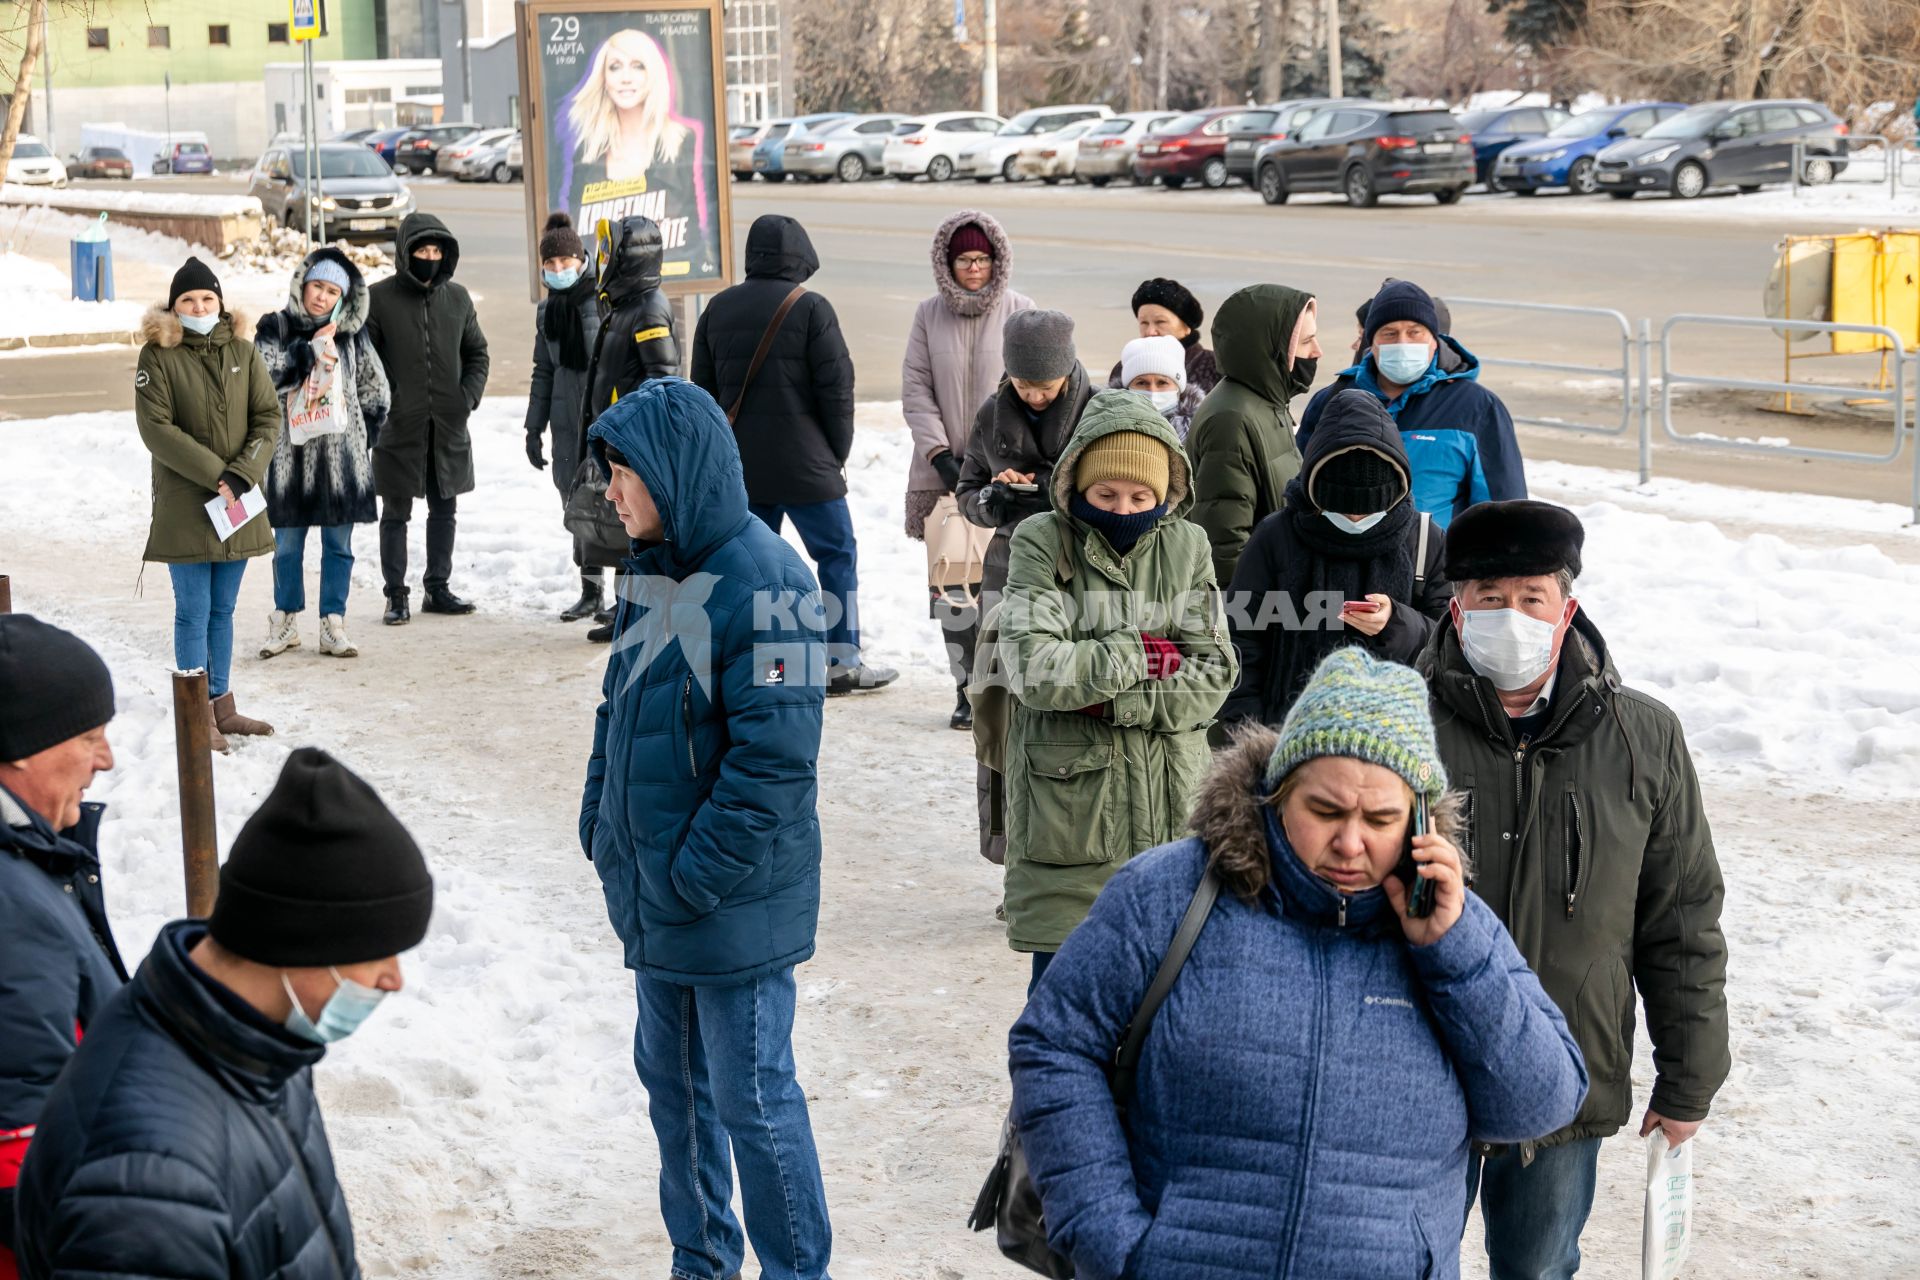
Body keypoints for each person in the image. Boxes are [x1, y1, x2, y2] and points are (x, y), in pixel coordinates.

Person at [1009, 647, 1589, 1280]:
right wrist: (1111, 1242)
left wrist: (1452, 953)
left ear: (1421, 820)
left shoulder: (1457, 930)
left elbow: (1541, 1104)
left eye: (1381, 818)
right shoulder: (1168, 893)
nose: (1350, 841)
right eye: (1325, 810)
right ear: (1276, 792)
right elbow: (1056, 1046)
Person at [1419, 500, 1728, 1280]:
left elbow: (1680, 918)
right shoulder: (1398, 721)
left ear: (1568, 609)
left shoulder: (1642, 736)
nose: (1510, 616)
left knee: (1540, 1268)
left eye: (1531, 597)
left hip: (1564, 1068)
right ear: (1457, 608)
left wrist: (1690, 1076)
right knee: (1399, 1261)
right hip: (1417, 1060)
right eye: (1490, 599)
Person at [579, 378, 833, 1280]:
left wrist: (691, 876)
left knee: (752, 1102)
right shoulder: (656, 569)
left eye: (623, 475)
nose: (611, 493)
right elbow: (620, 713)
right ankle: (701, 1263)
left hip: (726, 902)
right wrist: (600, 824)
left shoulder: (774, 585)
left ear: (673, 474)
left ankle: (796, 1271)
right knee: (676, 1101)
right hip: (657, 894)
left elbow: (773, 764)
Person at [13, 747, 433, 1280]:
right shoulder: (149, 1182)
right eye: (379, 951)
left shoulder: (258, 1041)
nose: (393, 980)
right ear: (302, 941)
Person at [995, 392, 1238, 990]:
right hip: (1072, 818)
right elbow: (1033, 667)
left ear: (1164, 495)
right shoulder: (1040, 540)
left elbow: (1212, 675)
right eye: (1106, 495)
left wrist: (1110, 696)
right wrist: (1141, 652)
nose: (1123, 508)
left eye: (1140, 497)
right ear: (1078, 484)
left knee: (1170, 1022)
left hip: (1172, 817)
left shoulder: (1188, 547)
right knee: (1062, 1016)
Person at [693, 213, 895, 696]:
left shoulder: (716, 309)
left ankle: (768, 667)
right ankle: (840, 660)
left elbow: (701, 396)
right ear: (800, 254)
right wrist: (834, 453)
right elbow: (837, 390)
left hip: (742, 469)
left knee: (754, 569)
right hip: (808, 468)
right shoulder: (811, 308)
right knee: (836, 555)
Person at [0, 618, 126, 1280]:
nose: (104, 760)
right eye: (88, 737)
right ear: (20, 749)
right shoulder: (9, 906)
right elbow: (19, 1129)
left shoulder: (26, 853)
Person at [1221, 387, 1449, 730]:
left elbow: (1451, 640)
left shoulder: (1425, 540)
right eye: (1342, 510)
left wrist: (1396, 622)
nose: (1355, 522)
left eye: (1369, 512)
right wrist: (1247, 733)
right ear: (1316, 495)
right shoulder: (1276, 536)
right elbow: (1241, 639)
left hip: (1393, 735)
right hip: (1287, 730)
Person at [955, 309, 1094, 862]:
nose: (1035, 396)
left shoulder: (1097, 410)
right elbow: (967, 489)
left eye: (1046, 385)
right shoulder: (992, 414)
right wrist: (992, 500)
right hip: (1007, 573)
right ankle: (1010, 852)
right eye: (1023, 384)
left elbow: (1121, 490)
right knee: (1004, 713)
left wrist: (1049, 491)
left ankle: (1074, 849)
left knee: (1069, 709)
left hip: (1077, 577)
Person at [135, 258, 281, 753]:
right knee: (193, 611)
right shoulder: (158, 357)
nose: (199, 307)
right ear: (174, 308)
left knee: (224, 610)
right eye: (188, 301)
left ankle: (222, 705)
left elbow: (268, 416)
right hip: (188, 506)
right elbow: (157, 429)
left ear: (220, 304)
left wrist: (242, 473)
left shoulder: (243, 350)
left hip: (236, 502)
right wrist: (217, 474)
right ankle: (194, 715)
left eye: (207, 299)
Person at [902, 210, 1034, 730]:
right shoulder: (927, 315)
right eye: (964, 260)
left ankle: (1000, 685)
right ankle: (965, 688)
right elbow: (915, 389)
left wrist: (995, 463)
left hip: (1008, 478)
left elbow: (1035, 392)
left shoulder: (1022, 312)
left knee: (1004, 588)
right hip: (943, 478)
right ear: (947, 263)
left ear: (996, 260)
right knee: (953, 587)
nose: (973, 268)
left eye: (982, 259)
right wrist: (943, 458)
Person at [254, 247, 391, 662]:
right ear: (303, 282)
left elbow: (376, 388)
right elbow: (263, 377)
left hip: (340, 463)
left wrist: (361, 437)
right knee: (287, 547)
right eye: (317, 286)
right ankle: (285, 619)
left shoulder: (352, 334)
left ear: (343, 297)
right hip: (288, 460)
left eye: (332, 291)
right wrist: (307, 353)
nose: (321, 297)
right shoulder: (274, 326)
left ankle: (334, 623)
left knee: (339, 546)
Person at [1300, 279, 1524, 529]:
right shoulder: (1333, 401)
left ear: (1435, 339)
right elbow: (1301, 490)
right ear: (1371, 341)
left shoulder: (1477, 407)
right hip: (1340, 562)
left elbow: (1504, 511)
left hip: (1436, 564)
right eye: (1389, 333)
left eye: (1415, 332)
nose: (1403, 343)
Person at [367, 212, 490, 625]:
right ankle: (396, 594)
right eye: (421, 250)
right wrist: (389, 403)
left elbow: (477, 353)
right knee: (396, 513)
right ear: (406, 253)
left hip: (448, 428)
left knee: (444, 510)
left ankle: (437, 587)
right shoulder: (379, 299)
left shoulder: (458, 299)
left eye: (436, 250)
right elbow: (367, 361)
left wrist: (466, 396)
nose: (429, 257)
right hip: (399, 429)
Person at [584, 213, 682, 643]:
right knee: (624, 529)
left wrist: (640, 440)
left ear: (627, 257)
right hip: (618, 441)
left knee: (639, 530)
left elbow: (662, 378)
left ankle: (641, 615)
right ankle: (628, 611)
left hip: (636, 446)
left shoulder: (648, 308)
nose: (602, 259)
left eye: (610, 251)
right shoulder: (623, 304)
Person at [1185, 284, 1322, 587]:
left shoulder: (1268, 399)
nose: (1317, 352)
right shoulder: (1232, 419)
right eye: (1307, 341)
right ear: (1273, 347)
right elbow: (1226, 545)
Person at [557, 27, 719, 277]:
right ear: (603, 78)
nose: (626, 78)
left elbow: (692, 234)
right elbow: (576, 231)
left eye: (637, 66)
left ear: (652, 74)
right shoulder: (587, 150)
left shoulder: (679, 141)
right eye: (615, 67)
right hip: (603, 287)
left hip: (661, 279)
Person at [524, 211, 617, 627]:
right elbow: (543, 370)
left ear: (582, 259)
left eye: (565, 262)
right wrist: (533, 426)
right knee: (578, 506)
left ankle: (624, 596)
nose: (559, 270)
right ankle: (590, 591)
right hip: (565, 423)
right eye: (551, 264)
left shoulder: (603, 298)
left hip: (604, 419)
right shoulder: (547, 312)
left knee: (617, 506)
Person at [1104, 277, 1219, 395]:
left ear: (1187, 326)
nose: (1150, 332)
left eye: (1160, 322)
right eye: (1144, 323)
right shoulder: (1124, 366)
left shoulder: (1215, 366)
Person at [1109, 334, 1204, 439]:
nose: (1152, 391)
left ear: (1178, 388)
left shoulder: (1201, 429)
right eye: (1142, 383)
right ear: (1127, 388)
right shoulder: (1107, 426)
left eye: (1162, 382)